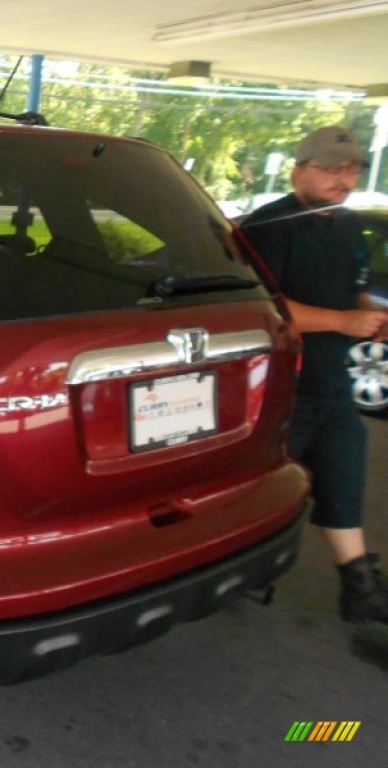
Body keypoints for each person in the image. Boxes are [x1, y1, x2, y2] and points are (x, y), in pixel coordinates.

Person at [242, 125, 388, 625]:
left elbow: (353, 292)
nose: (342, 178)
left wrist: (371, 314)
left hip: (332, 385)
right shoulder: (270, 226)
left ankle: (361, 588)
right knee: (257, 495)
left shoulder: (348, 227)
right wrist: (344, 322)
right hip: (281, 389)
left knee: (344, 478)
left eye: (351, 169)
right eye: (329, 168)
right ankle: (233, 574)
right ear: (299, 169)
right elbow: (264, 307)